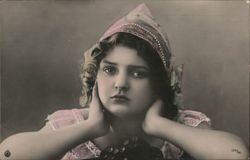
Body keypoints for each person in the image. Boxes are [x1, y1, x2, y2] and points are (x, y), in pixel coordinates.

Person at [0, 3, 248, 160]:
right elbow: (7, 156)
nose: (120, 83)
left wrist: (158, 126)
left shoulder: (178, 126)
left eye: (137, 73)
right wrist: (90, 128)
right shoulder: (75, 123)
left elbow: (236, 155)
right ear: (94, 76)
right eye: (109, 70)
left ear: (158, 84)